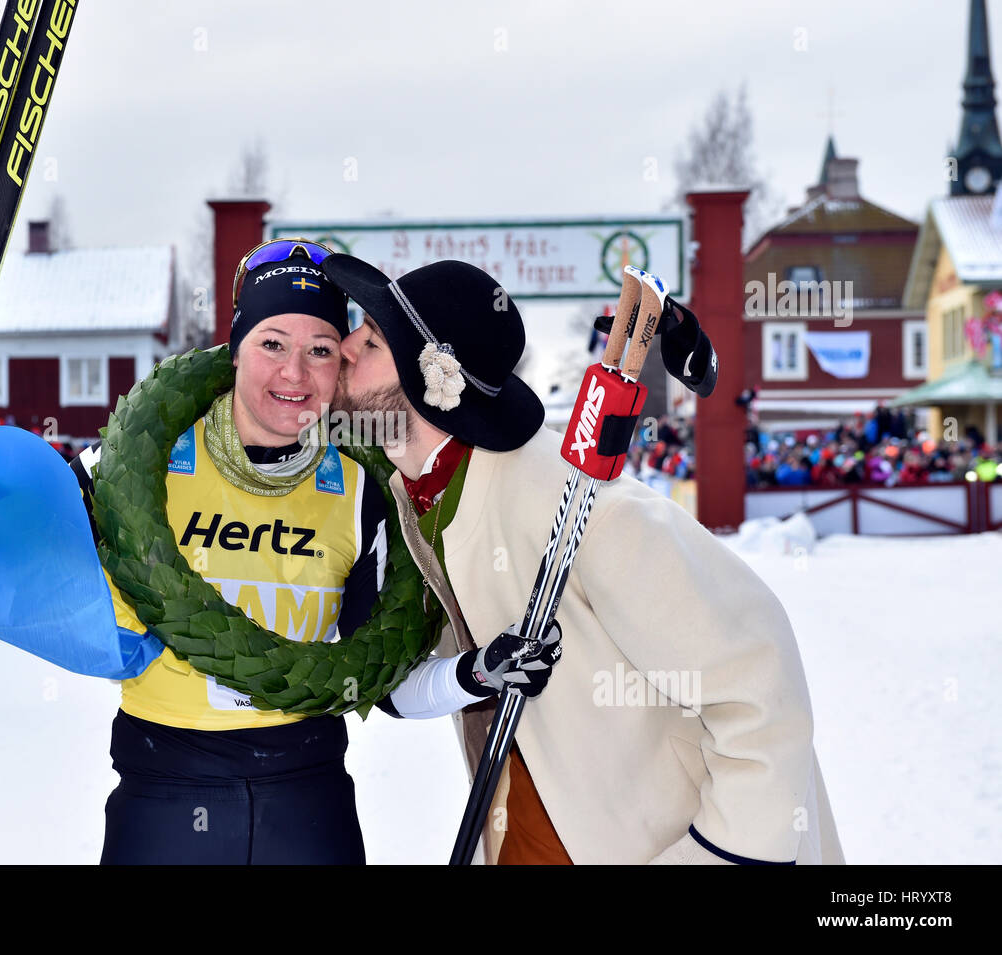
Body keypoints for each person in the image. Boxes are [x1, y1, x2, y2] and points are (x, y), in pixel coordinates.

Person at [0, 239, 547, 865]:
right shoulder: (132, 467)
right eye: (272, 344)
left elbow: (388, 686)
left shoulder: (364, 490)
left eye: (320, 350)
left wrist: (478, 674)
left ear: (339, 366)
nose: (293, 374)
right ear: (235, 350)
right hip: (164, 800)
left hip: (307, 806)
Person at [320, 253, 845, 865]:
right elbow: (411, 684)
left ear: (434, 376)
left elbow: (758, 678)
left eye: (373, 339)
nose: (346, 348)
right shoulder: (424, 498)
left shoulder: (572, 501)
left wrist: (721, 855)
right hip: (524, 831)